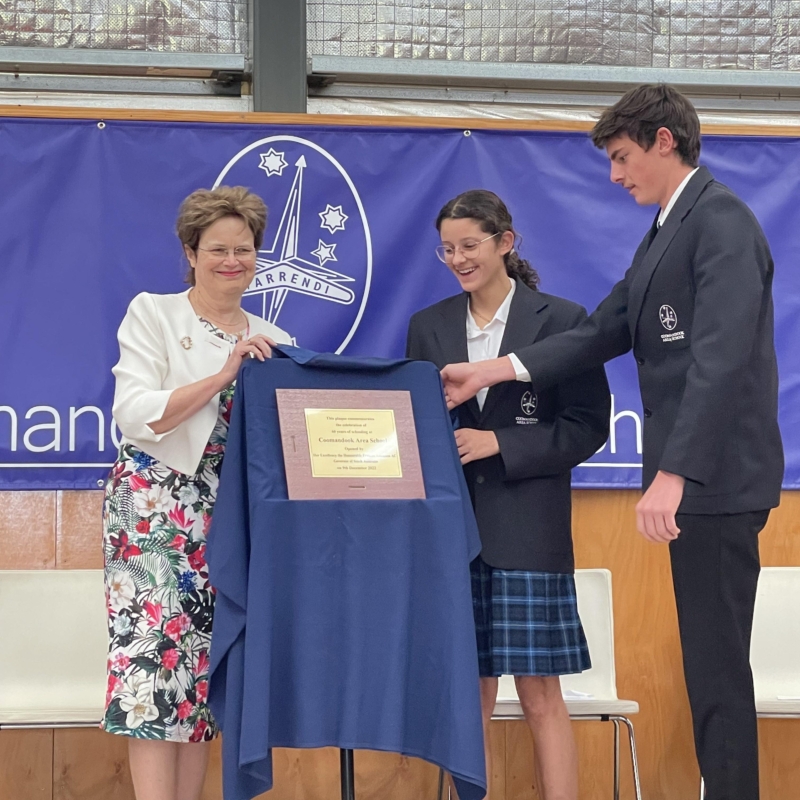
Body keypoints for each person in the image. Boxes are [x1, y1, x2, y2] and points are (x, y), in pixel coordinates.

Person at [440, 86, 783, 800]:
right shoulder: (668, 227)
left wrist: (674, 473)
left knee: (718, 670)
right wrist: (497, 367)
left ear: (664, 140)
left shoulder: (720, 222)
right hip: (703, 483)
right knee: (707, 667)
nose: (616, 175)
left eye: (622, 158)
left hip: (718, 480)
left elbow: (719, 361)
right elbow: (602, 330)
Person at [406, 190, 610, 800]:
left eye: (470, 245)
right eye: (447, 249)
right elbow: (415, 424)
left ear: (505, 243)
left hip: (529, 530)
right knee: (468, 689)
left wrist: (499, 444)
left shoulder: (563, 321)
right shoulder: (429, 325)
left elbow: (587, 426)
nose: (458, 259)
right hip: (453, 532)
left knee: (540, 689)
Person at [101, 186, 292, 800]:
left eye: (244, 249)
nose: (231, 260)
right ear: (190, 252)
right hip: (153, 510)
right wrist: (223, 375)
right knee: (154, 665)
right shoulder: (154, 313)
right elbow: (137, 414)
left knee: (205, 675)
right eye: (217, 249)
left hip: (232, 518)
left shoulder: (274, 333)